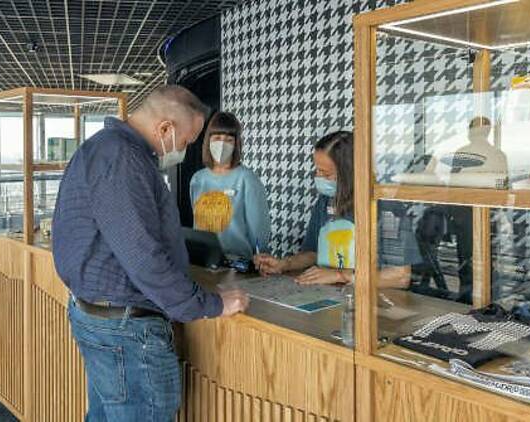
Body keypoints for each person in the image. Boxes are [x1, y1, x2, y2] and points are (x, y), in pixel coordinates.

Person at [51, 85, 249, 421]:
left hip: (99, 316)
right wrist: (211, 304)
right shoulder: (123, 159)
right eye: (187, 140)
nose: (185, 149)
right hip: (126, 330)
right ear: (165, 129)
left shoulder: (105, 148)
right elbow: (144, 257)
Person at [254, 131, 355, 285]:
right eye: (317, 170)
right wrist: (283, 264)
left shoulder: (379, 206)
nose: (318, 177)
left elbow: (400, 276)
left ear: (349, 173)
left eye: (326, 174)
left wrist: (341, 275)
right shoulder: (325, 201)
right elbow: (313, 253)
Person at [189, 112, 270, 259]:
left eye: (229, 140)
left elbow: (259, 232)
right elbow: (196, 223)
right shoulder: (198, 179)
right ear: (208, 141)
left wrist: (259, 260)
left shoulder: (247, 179)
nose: (222, 144)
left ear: (236, 144)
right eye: (217, 138)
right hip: (203, 260)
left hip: (237, 264)